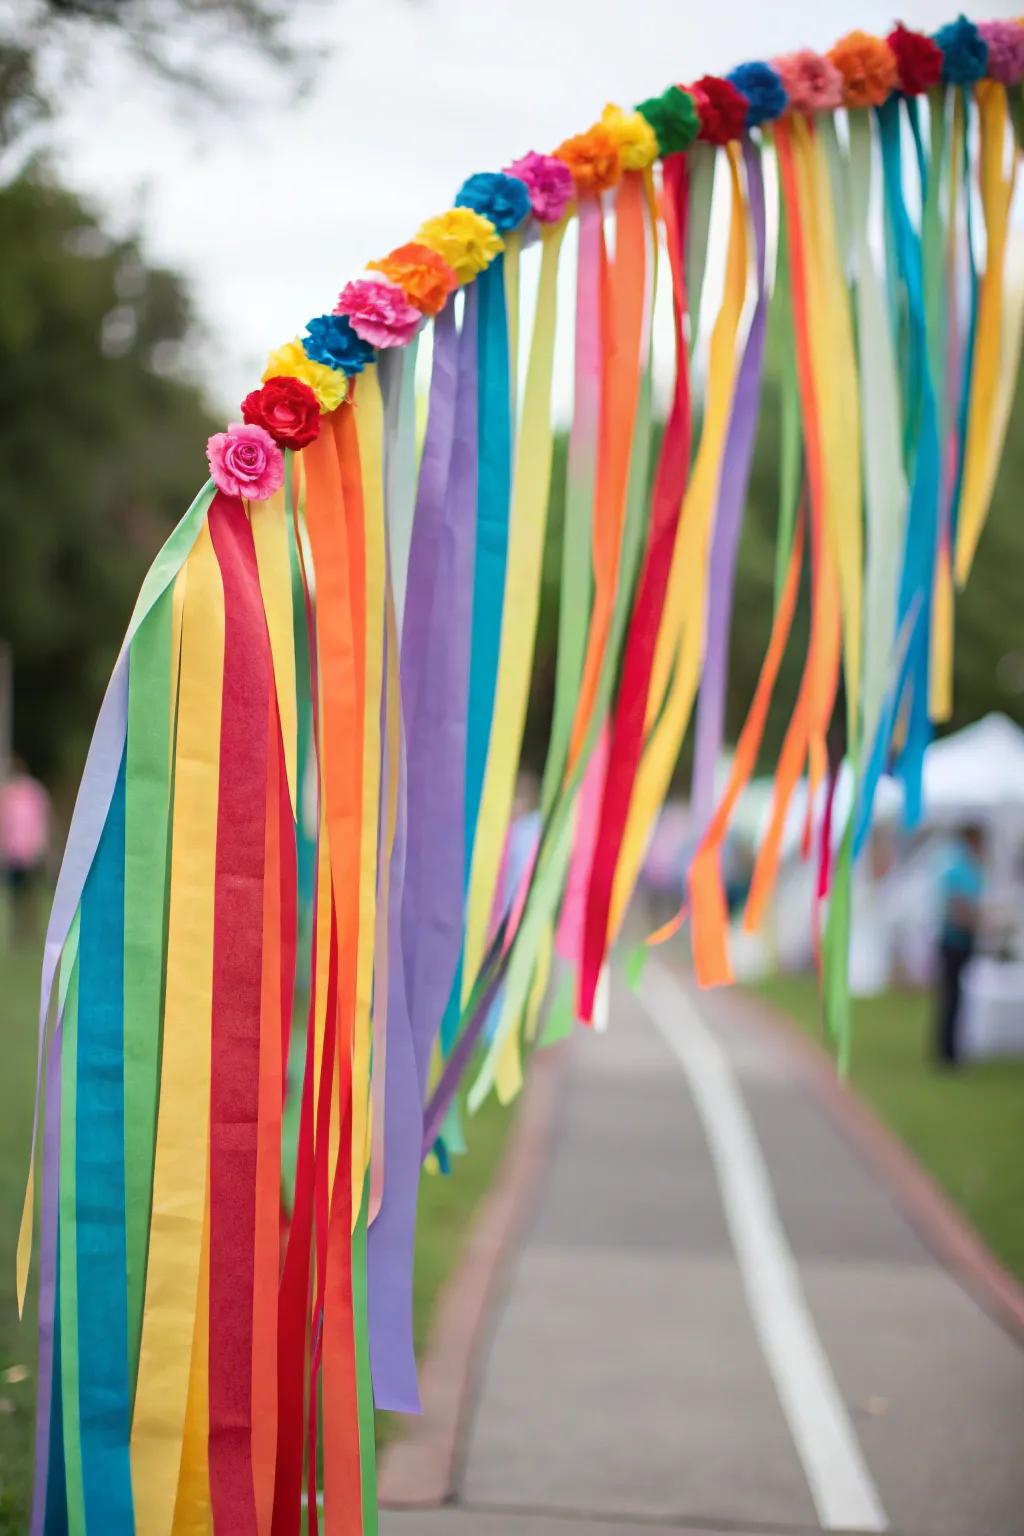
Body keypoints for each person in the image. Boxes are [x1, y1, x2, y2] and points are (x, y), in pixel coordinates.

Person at [934, 823, 985, 1067]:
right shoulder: (958, 868)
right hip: (954, 941)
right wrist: (980, 923)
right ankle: (946, 1052)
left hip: (960, 940)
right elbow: (959, 909)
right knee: (951, 998)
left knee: (955, 997)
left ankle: (950, 1050)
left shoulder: (968, 867)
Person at [0, 757, 51, 943]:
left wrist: (41, 844)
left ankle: (32, 930)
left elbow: (41, 818)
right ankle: (18, 932)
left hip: (31, 851)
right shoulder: (7, 794)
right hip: (13, 852)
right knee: (16, 895)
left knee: (31, 894)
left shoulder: (34, 791)